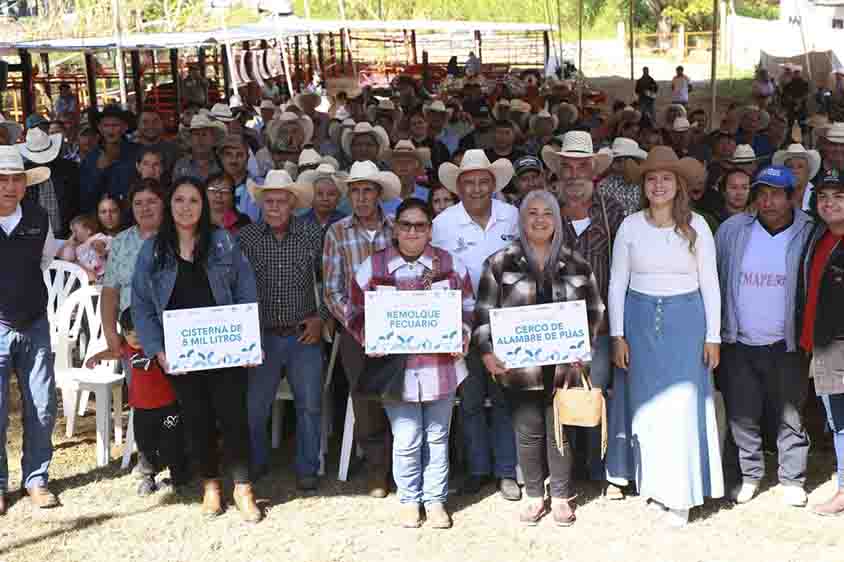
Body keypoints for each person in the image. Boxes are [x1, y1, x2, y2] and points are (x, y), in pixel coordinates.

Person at [132, 177, 261, 522]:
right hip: (180, 354)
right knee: (198, 418)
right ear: (168, 206)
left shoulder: (222, 243)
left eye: (193, 200)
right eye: (179, 200)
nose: (186, 207)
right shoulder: (153, 250)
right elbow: (141, 306)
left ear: (203, 206)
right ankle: (211, 486)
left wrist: (248, 342)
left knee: (233, 416)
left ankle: (244, 487)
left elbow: (245, 288)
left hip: (226, 349)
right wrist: (158, 350)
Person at [474, 190, 605, 526]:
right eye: (532, 213)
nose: (539, 219)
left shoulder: (577, 262)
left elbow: (595, 310)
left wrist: (582, 344)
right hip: (519, 365)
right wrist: (488, 353)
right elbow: (484, 312)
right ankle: (535, 494)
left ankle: (561, 495)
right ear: (521, 219)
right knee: (528, 430)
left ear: (557, 220)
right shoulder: (500, 262)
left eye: (547, 213)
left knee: (560, 429)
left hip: (565, 363)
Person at [609, 146, 724, 526]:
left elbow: (710, 282)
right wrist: (618, 335)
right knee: (649, 407)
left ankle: (682, 494)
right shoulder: (630, 225)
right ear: (644, 185)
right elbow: (616, 283)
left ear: (679, 185)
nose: (659, 185)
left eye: (666, 179)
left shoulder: (698, 226)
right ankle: (656, 485)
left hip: (687, 324)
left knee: (681, 406)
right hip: (640, 323)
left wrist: (713, 336)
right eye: (652, 179)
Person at [348, 198, 474, 529]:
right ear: (395, 228)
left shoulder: (451, 265)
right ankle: (409, 499)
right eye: (406, 225)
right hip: (394, 371)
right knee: (406, 437)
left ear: (430, 229)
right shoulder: (372, 268)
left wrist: (462, 334)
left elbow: (470, 306)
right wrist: (369, 339)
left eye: (420, 225)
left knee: (436, 435)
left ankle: (435, 501)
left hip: (441, 368)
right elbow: (354, 312)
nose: (413, 231)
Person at [715, 164, 813, 507]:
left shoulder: (808, 232)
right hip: (740, 341)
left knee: (790, 413)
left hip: (786, 342)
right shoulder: (732, 230)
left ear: (792, 197)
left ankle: (791, 477)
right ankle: (750, 474)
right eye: (761, 194)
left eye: (775, 194)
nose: (767, 201)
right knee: (743, 412)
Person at [432, 149, 521, 500]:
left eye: (484, 182)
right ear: (458, 186)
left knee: (503, 397)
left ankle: (505, 472)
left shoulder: (512, 216)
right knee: (470, 399)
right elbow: (436, 271)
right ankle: (477, 469)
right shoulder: (442, 223)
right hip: (462, 321)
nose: (477, 189)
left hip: (505, 320)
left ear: (493, 184)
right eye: (469, 183)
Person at [541, 132, 624, 492]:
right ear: (558, 171)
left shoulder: (613, 211)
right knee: (557, 395)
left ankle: (598, 468)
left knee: (598, 393)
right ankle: (564, 472)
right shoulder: (545, 212)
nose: (574, 174)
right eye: (567, 167)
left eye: (581, 166)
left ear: (593, 170)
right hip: (553, 326)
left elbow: (624, 269)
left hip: (600, 325)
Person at [238, 170, 326, 490]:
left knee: (310, 405)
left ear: (292, 203)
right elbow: (235, 287)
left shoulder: (311, 234)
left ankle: (307, 468)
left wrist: (321, 318)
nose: (274, 207)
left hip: (303, 333)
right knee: (254, 408)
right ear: (260, 204)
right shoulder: (245, 239)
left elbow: (328, 281)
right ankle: (257, 462)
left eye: (280, 201)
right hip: (260, 336)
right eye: (268, 201)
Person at [323, 160, 400, 498]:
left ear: (378, 194)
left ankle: (404, 467)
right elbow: (332, 290)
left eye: (367, 190)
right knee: (366, 398)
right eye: (355, 191)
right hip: (356, 331)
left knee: (401, 395)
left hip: (399, 328)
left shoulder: (398, 228)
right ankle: (377, 471)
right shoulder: (337, 232)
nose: (361, 197)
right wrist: (360, 327)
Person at [0, 146, 59, 514]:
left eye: (16, 179)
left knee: (42, 406)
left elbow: (45, 259)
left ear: (25, 184)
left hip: (35, 322)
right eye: (2, 180)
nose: (9, 186)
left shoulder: (39, 217)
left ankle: (36, 480)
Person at [85, 309, 189, 496]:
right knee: (145, 445)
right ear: (123, 334)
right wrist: (96, 357)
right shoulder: (127, 349)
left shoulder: (160, 348)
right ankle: (148, 477)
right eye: (129, 334)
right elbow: (114, 352)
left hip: (167, 405)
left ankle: (178, 476)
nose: (136, 339)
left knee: (172, 441)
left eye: (140, 334)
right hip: (141, 407)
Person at [799, 168, 844, 516]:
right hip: (823, 342)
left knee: (842, 422)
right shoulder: (820, 237)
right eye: (824, 197)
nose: (830, 203)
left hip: (839, 345)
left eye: (839, 197)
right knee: (836, 419)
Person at [19, 127, 80, 238]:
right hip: (34, 235)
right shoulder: (23, 173)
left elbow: (78, 200)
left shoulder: (69, 169)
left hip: (68, 234)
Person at [79, 105, 139, 213]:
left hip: (133, 216)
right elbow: (84, 197)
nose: (110, 130)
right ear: (100, 128)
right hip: (104, 219)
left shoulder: (137, 152)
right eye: (106, 125)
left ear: (124, 127)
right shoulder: (90, 158)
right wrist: (99, 171)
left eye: (115, 125)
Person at [596, 137, 647, 216]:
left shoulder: (644, 183)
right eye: (616, 160)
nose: (615, 164)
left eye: (619, 161)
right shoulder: (604, 184)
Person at [172, 113, 225, 182]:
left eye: (204, 134)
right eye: (196, 134)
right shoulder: (180, 165)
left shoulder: (222, 164)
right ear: (190, 139)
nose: (200, 139)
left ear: (213, 139)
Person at [381, 140, 430, 215]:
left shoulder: (428, 196)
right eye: (399, 162)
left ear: (417, 167)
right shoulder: (383, 197)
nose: (403, 166)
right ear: (392, 167)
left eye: (408, 162)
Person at [59, 214, 112, 282]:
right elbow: (69, 258)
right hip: (88, 276)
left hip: (105, 272)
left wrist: (100, 244)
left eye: (75, 231)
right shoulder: (77, 247)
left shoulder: (96, 237)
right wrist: (71, 244)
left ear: (88, 231)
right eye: (72, 232)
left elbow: (108, 240)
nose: (73, 235)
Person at [298, 163, 348, 229]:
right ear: (311, 196)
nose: (325, 198)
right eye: (319, 193)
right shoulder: (300, 222)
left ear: (339, 198)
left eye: (331, 194)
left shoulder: (346, 222)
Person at [773, 143, 821, 212]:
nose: (794, 171)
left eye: (800, 166)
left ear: (808, 171)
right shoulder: (776, 196)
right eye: (790, 167)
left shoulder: (818, 196)